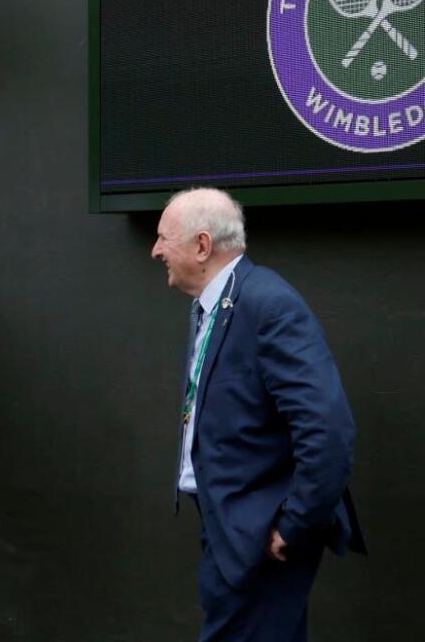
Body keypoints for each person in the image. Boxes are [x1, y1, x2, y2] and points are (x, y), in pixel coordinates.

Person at [151, 187, 366, 641]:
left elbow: (327, 428)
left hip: (262, 538)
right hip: (229, 527)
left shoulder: (267, 303)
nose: (156, 251)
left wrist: (296, 525)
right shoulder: (211, 307)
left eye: (163, 238)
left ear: (202, 246)